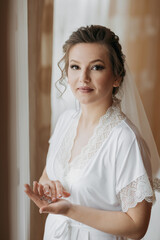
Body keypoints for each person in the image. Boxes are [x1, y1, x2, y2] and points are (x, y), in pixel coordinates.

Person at [24, 25, 160, 240]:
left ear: (117, 77)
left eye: (96, 67)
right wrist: (49, 188)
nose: (83, 77)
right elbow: (48, 175)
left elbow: (137, 227)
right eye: (75, 66)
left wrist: (70, 210)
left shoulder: (125, 139)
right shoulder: (65, 121)